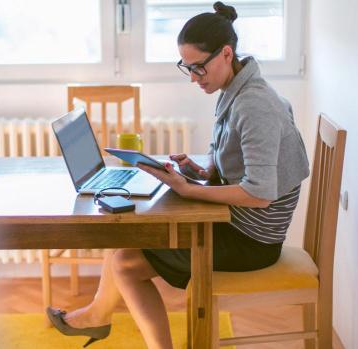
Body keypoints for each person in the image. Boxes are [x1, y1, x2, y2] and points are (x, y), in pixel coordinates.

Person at [47, 2, 310, 348]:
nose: (194, 79)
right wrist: (200, 172)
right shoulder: (236, 88)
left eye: (199, 68)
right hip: (237, 223)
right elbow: (241, 164)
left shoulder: (253, 104)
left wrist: (189, 190)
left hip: (251, 241)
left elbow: (259, 193)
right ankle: (97, 316)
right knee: (123, 242)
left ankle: (100, 319)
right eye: (187, 68)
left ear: (226, 53)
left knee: (125, 264)